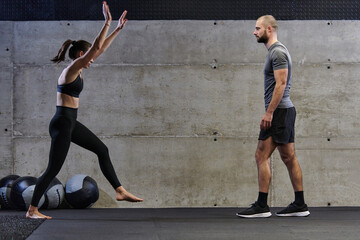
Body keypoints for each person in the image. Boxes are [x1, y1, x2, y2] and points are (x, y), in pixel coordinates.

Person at [26, 2, 143, 219]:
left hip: (71, 122)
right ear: (81, 54)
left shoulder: (79, 71)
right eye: (88, 56)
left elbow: (100, 49)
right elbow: (95, 49)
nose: (92, 60)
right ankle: (32, 210)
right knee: (53, 169)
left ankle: (119, 190)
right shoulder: (70, 70)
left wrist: (117, 29)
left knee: (102, 149)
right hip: (61, 123)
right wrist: (107, 22)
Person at [236, 15, 309, 218]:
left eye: (258, 28)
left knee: (261, 155)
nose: (254, 32)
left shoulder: (277, 53)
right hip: (284, 111)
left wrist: (269, 112)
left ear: (269, 29)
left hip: (278, 112)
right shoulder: (277, 51)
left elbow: (281, 83)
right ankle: (300, 204)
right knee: (288, 157)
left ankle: (261, 206)